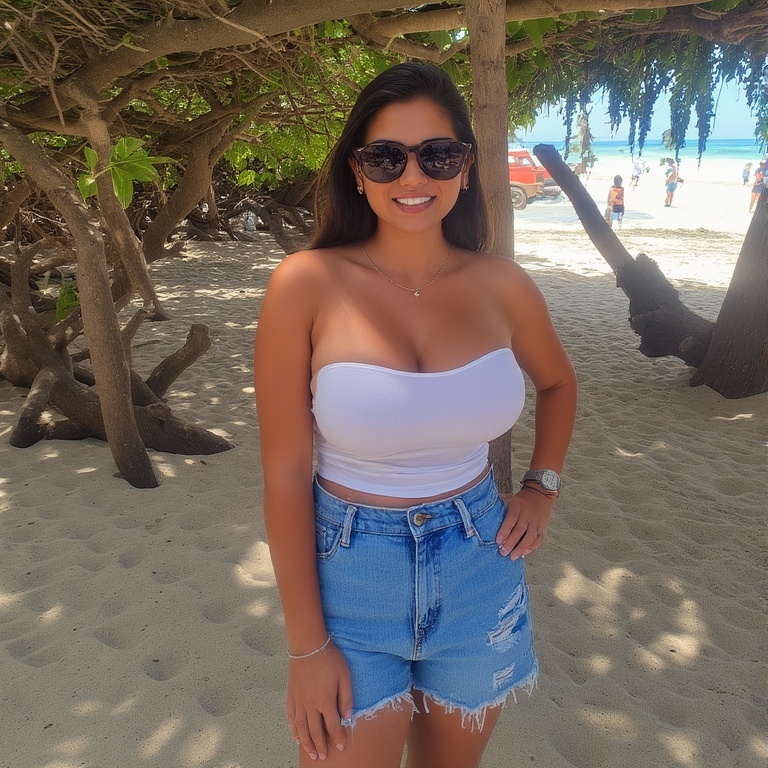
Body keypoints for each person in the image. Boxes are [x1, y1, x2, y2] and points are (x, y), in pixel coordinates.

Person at [253, 62, 577, 768]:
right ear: (358, 171)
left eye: (437, 154)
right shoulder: (305, 284)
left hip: (480, 564)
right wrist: (306, 647)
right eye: (387, 157)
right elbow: (283, 474)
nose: (413, 176)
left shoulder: (503, 285)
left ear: (465, 166)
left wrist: (540, 488)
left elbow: (558, 384)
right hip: (349, 577)